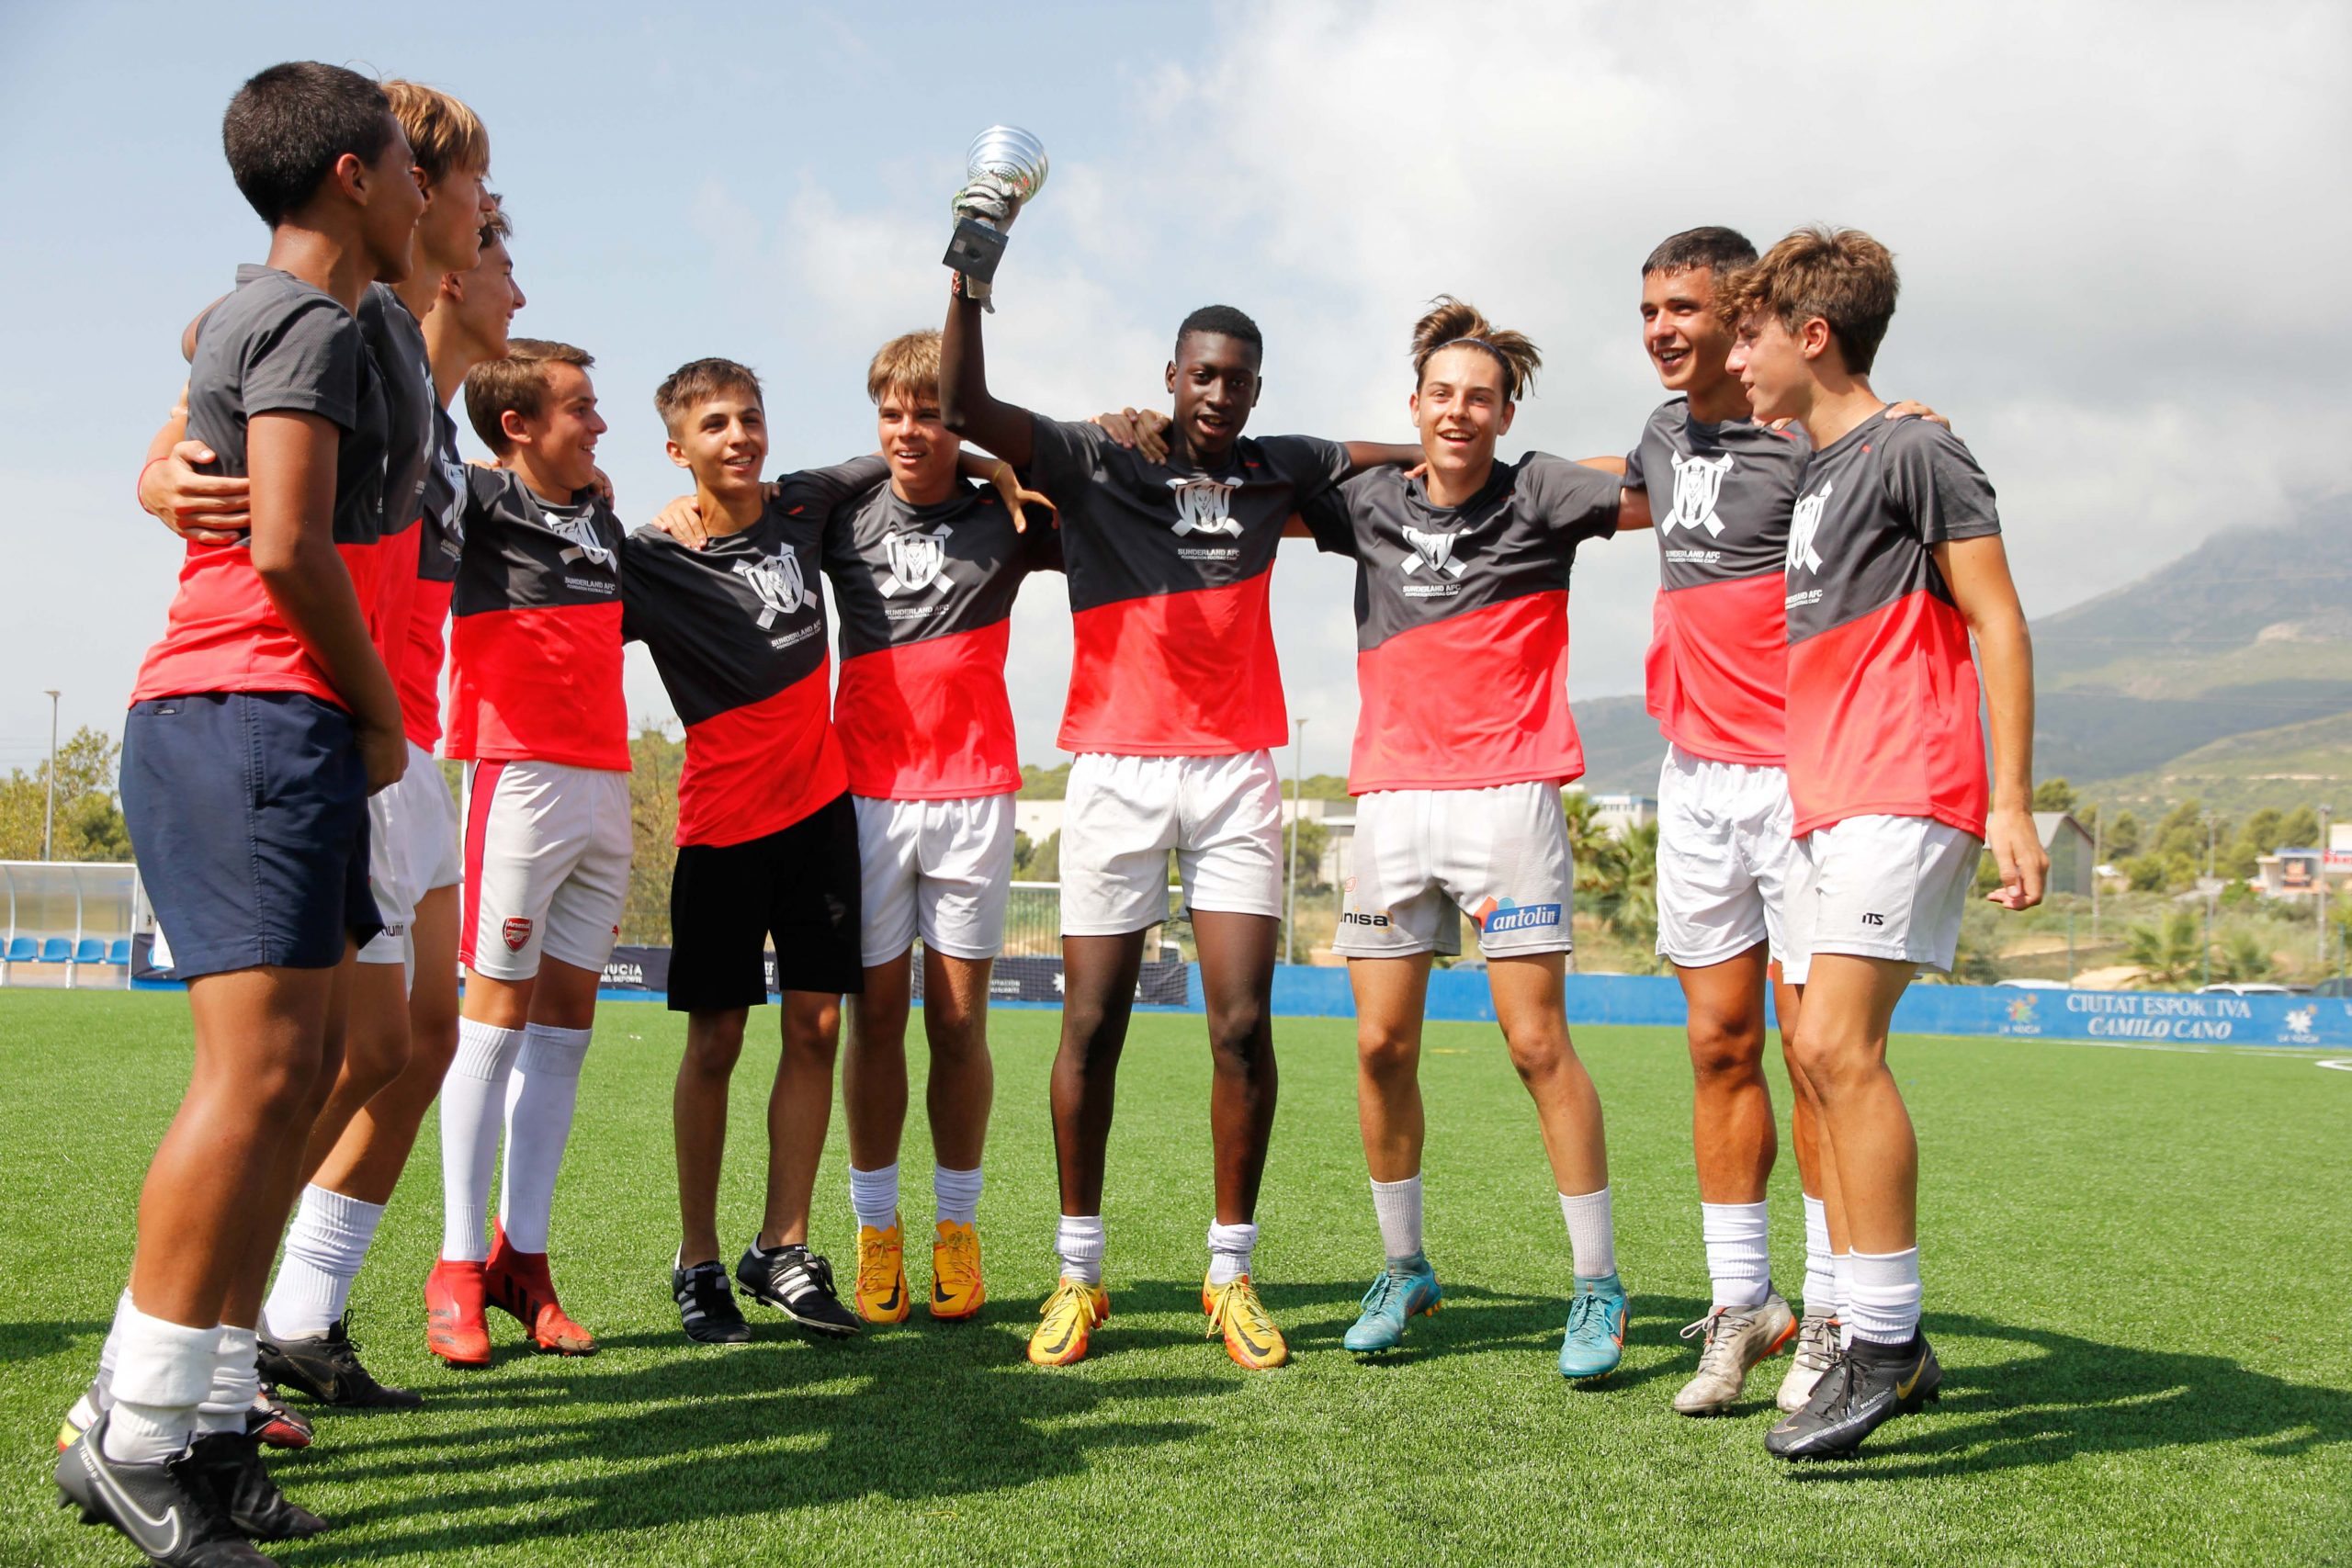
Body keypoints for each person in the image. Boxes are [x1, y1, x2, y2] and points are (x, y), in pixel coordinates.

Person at [938, 182, 1418, 1370]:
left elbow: (1396, 449)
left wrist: (1462, 432)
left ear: (1255, 387)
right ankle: (1079, 1272)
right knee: (1090, 1022)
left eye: (1238, 378)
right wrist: (969, 278)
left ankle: (1229, 1271)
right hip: (1113, 772)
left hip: (1237, 777)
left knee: (1243, 1023)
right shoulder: (1098, 457)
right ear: (1170, 375)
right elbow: (963, 406)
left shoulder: (1279, 466)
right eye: (1202, 375)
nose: (1218, 394)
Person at [57, 61, 420, 1566]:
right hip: (244, 712)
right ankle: (132, 1437)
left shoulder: (307, 320)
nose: (417, 185)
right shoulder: (301, 318)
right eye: (404, 160)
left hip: (275, 719)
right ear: (349, 172)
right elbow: (283, 543)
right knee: (259, 1070)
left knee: (310, 1063)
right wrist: (385, 705)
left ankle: (202, 1421)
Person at [124, 193, 526, 1419]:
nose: (509, 252)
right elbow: (219, 345)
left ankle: (276, 1319)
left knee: (395, 1046)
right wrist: (156, 473)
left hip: (390, 732)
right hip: (323, 715)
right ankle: (181, 1360)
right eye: (490, 217)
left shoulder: (443, 423)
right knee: (298, 1066)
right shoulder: (351, 323)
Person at [1719, 226, 2043, 1459]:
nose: (1733, 359)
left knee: (1836, 1046)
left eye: (1751, 335)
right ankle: (1868, 1324)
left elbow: (2000, 620)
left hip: (1907, 786)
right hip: (1827, 801)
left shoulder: (1916, 446)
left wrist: (2012, 797)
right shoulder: (1821, 465)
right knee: (1813, 1053)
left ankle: (1889, 1341)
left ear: (1810, 338)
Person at [1295, 299, 1634, 1380]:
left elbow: (1669, 484)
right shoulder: (1365, 504)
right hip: (1391, 804)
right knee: (1380, 1047)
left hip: (1509, 799)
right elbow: (1256, 478)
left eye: (1478, 396)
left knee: (1537, 1046)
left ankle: (1596, 1287)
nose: (1458, 411)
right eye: (1440, 394)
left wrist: (1822, 426)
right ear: (1414, 405)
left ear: (1506, 409)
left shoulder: (1542, 490)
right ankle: (1404, 1268)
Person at [426, 338, 629, 1366]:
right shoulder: (474, 500)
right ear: (517, 426)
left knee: (565, 1035)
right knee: (490, 1026)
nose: (599, 425)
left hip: (606, 784)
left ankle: (524, 1263)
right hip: (517, 778)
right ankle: (457, 1268)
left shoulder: (599, 510)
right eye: (580, 408)